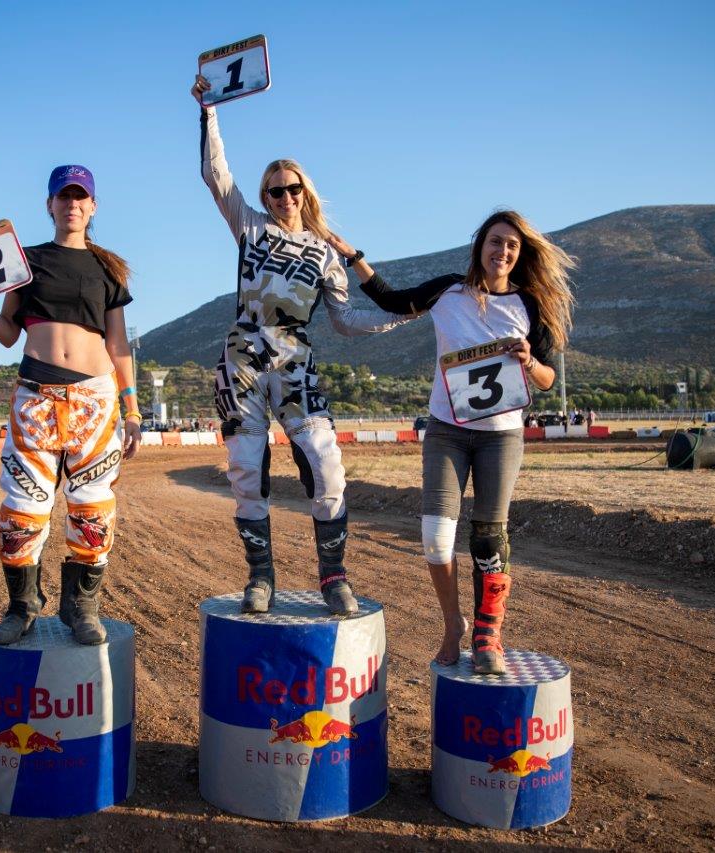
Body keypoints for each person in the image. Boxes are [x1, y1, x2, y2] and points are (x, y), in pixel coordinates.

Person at [191, 74, 410, 615]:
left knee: (325, 461)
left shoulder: (326, 253)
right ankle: (260, 576)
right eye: (275, 190)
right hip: (243, 355)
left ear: (306, 193)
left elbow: (345, 320)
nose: (285, 197)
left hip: (295, 357)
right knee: (246, 468)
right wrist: (209, 113)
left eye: (293, 189)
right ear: (264, 197)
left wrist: (398, 316)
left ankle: (334, 576)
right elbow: (216, 177)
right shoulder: (249, 227)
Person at [332, 210, 575, 673]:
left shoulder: (528, 305)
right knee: (435, 539)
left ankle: (488, 633)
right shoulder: (448, 291)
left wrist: (529, 361)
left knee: (488, 538)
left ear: (520, 255)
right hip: (447, 431)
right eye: (496, 241)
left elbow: (547, 379)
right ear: (480, 245)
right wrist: (354, 256)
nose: (503, 251)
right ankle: (453, 624)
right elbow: (390, 298)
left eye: (512, 245)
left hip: (501, 436)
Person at [0, 164, 140, 646]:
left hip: (96, 400)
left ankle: (82, 607)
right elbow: (8, 334)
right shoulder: (23, 261)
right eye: (63, 196)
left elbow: (118, 345)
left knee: (93, 508)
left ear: (93, 206)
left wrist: (133, 409)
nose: (72, 204)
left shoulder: (109, 269)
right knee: (21, 506)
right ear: (49, 205)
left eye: (80, 197)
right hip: (36, 397)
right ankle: (22, 607)